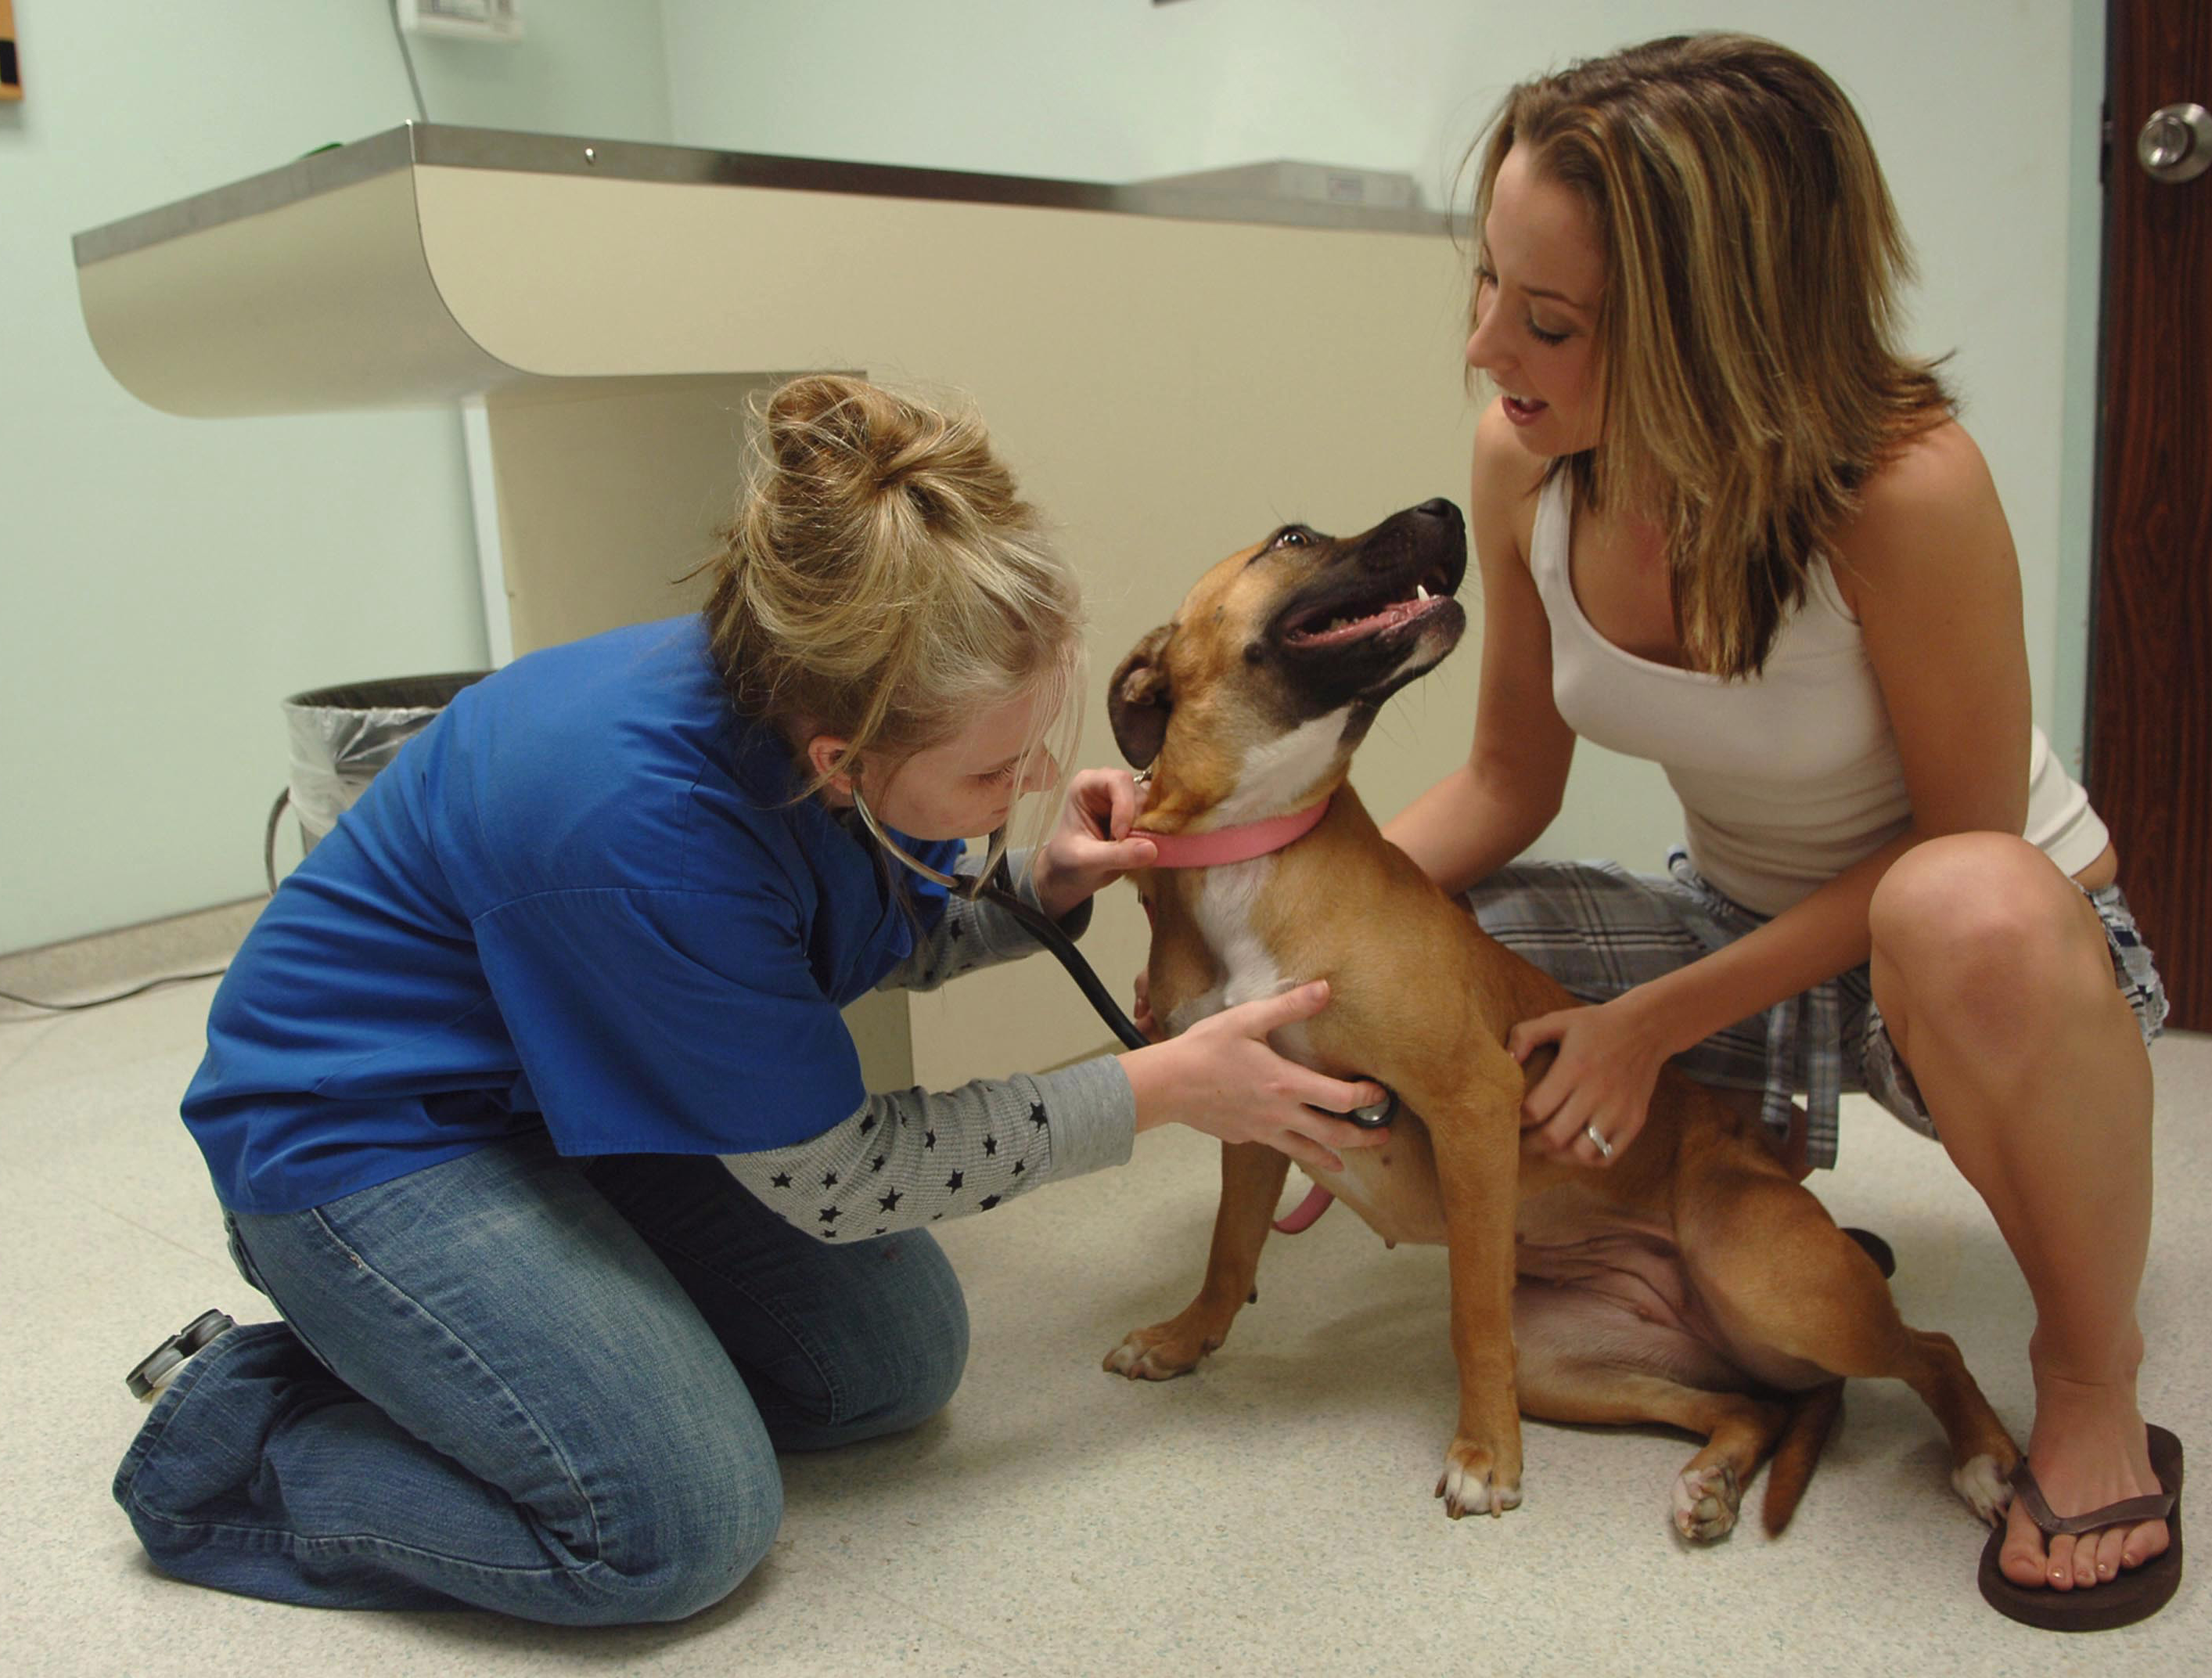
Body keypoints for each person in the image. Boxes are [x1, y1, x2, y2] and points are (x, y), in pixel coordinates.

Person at [112, 374, 1387, 1624]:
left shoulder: (815, 686)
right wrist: (1155, 1090)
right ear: (845, 762)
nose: (1039, 778)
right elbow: (840, 1177)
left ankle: (519, 1369)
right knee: (669, 1534)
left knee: (883, 1370)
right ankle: (240, 1432)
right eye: (998, 768)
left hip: (562, 1101)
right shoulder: (645, 830)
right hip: (362, 1139)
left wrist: (1042, 888)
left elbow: (840, 935)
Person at [1380, 35, 2177, 1626]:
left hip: (1989, 954)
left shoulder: (1902, 491)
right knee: (1403, 968)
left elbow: (1961, 853)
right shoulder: (1527, 463)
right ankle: (1746, 1232)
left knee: (1963, 908)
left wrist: (1649, 1026)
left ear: (1711, 330)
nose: (1486, 351)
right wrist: (1268, 926)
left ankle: (2089, 1373)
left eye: (1545, 322)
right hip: (1737, 922)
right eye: (1485, 291)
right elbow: (1503, 785)